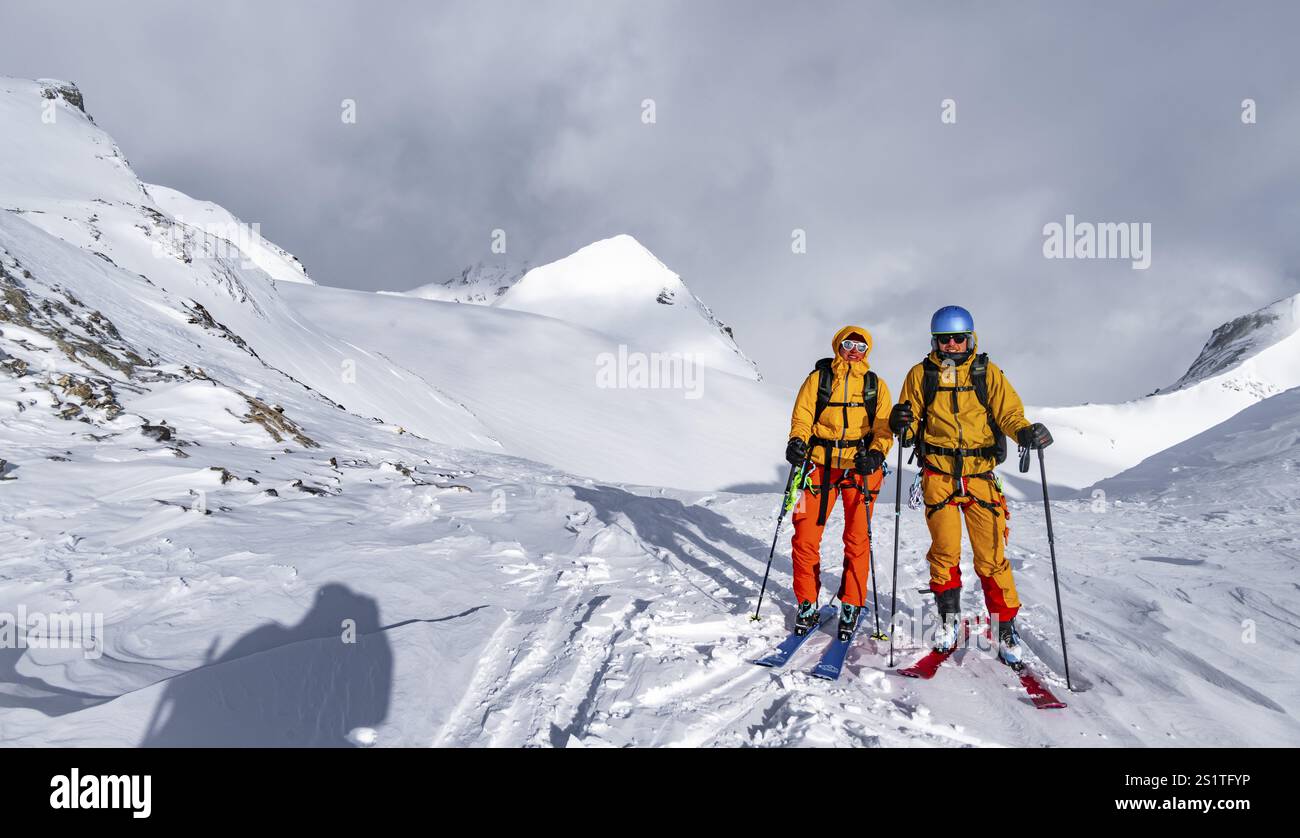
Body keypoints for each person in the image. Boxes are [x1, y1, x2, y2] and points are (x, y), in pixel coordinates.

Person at [888, 305, 1053, 666]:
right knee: (944, 553)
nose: (951, 345)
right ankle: (947, 621)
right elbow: (911, 419)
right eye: (943, 340)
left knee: (992, 557)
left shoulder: (986, 372)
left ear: (970, 338)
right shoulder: (921, 374)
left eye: (957, 338)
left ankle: (1005, 626)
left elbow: (1008, 412)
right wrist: (901, 422)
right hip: (939, 476)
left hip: (980, 477)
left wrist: (1026, 432)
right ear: (934, 341)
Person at [785, 325, 894, 640]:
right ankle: (807, 602)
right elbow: (802, 416)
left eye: (860, 346)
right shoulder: (818, 380)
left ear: (867, 351)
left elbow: (884, 427)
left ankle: (852, 603)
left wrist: (875, 454)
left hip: (861, 469)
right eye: (848, 344)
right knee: (805, 536)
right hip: (818, 466)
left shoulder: (876, 385)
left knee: (858, 539)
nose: (853, 350)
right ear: (838, 345)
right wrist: (796, 441)